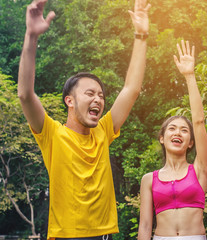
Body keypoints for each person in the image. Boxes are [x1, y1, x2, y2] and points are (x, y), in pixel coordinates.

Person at [17, 0, 150, 239]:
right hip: (66, 235)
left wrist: (141, 35)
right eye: (90, 94)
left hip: (104, 235)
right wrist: (31, 37)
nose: (98, 99)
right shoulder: (52, 134)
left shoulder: (104, 130)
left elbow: (132, 89)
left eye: (101, 95)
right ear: (69, 100)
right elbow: (25, 94)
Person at [137, 40, 207, 240]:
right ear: (162, 138)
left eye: (184, 130)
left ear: (191, 142)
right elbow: (145, 226)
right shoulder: (148, 180)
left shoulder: (199, 169)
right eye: (172, 129)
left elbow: (199, 121)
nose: (177, 133)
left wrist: (189, 76)